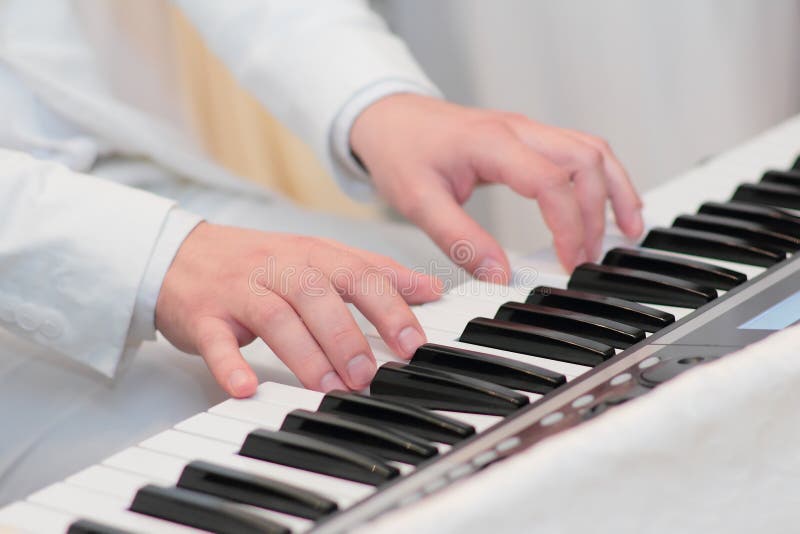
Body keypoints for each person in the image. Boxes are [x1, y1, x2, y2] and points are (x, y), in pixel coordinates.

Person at [0, 0, 642, 502]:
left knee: (472, 298)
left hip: (123, 188)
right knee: (225, 439)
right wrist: (152, 260)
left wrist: (378, 103)